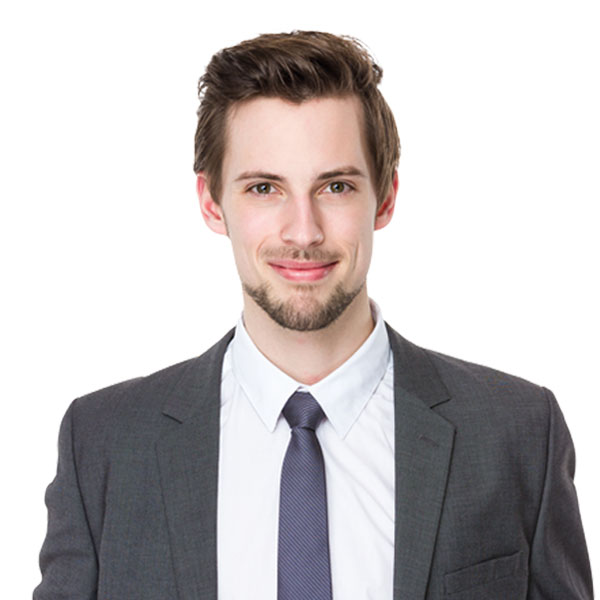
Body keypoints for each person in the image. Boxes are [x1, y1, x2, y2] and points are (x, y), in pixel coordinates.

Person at [34, 31, 593, 600]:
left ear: (385, 197)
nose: (303, 232)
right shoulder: (103, 444)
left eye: (336, 186)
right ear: (211, 202)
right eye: (264, 188)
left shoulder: (517, 434)